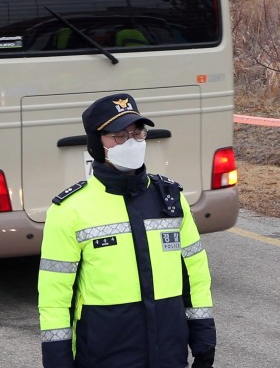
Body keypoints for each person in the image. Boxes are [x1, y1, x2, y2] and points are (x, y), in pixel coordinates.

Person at [38, 93, 216, 368]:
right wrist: (57, 359)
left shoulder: (169, 199)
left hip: (168, 353)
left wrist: (204, 340)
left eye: (137, 133)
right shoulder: (70, 209)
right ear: (97, 144)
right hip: (105, 355)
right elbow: (54, 296)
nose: (131, 142)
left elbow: (194, 274)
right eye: (119, 135)